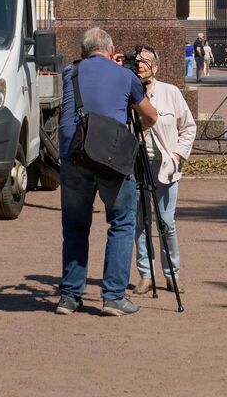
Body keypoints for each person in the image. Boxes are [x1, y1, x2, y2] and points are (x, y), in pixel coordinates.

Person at [56, 27, 157, 316]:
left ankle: (69, 296)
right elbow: (149, 116)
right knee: (122, 222)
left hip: (73, 155)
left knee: (75, 227)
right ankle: (113, 296)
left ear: (83, 52)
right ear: (111, 51)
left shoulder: (69, 73)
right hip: (111, 156)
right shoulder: (126, 76)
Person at [131, 46, 196, 294]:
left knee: (166, 223)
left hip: (165, 166)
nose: (141, 65)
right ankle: (146, 275)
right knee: (141, 222)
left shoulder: (170, 92)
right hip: (136, 163)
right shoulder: (127, 93)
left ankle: (172, 274)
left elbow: (188, 127)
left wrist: (178, 155)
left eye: (146, 61)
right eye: (137, 61)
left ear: (156, 67)